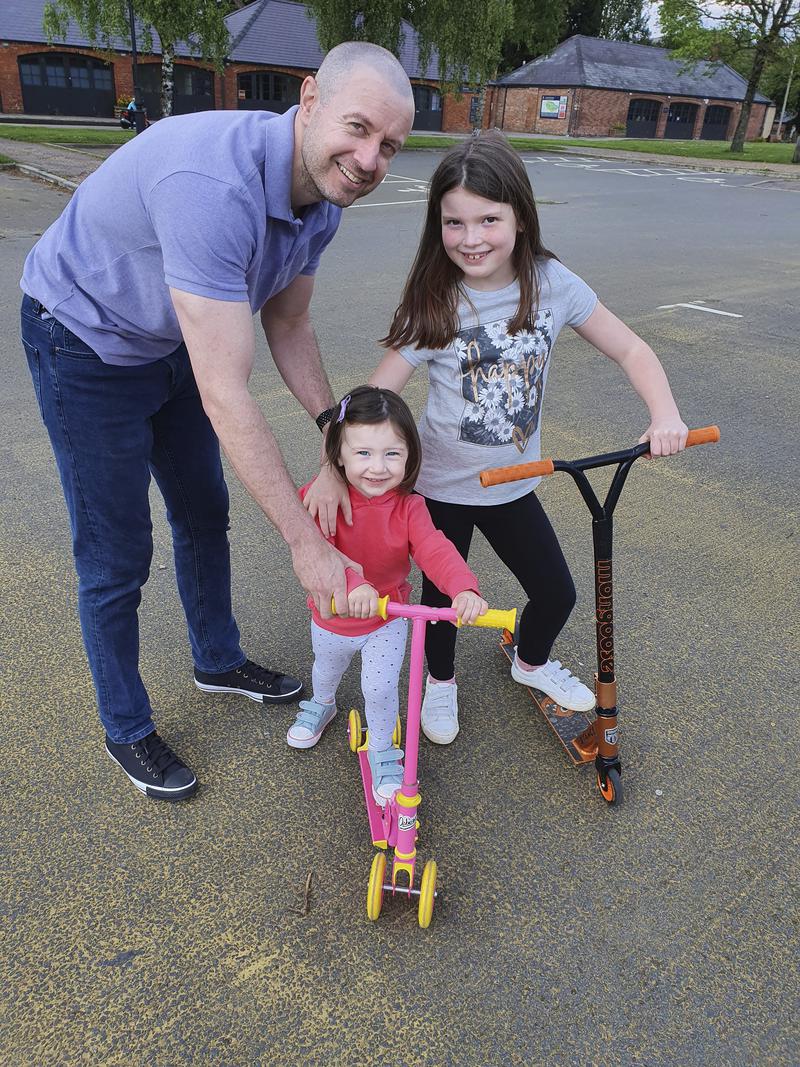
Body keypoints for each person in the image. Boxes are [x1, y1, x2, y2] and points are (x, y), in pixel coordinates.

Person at [19, 42, 415, 801]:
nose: (368, 160)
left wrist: (337, 440)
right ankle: (125, 724)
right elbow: (227, 395)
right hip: (83, 340)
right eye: (358, 127)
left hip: (170, 337)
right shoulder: (211, 185)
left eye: (389, 146)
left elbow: (289, 323)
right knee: (116, 553)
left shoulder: (321, 197)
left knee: (205, 512)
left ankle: (217, 659)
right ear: (309, 99)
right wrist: (307, 544)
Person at [305, 129, 688, 745]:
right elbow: (372, 399)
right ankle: (440, 681)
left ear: (520, 217)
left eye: (488, 219)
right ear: (437, 225)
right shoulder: (436, 300)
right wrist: (332, 466)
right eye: (454, 223)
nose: (471, 238)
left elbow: (632, 349)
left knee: (557, 593)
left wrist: (664, 414)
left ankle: (529, 661)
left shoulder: (552, 284)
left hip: (513, 484)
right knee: (443, 603)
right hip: (440, 489)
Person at [289, 386, 487, 803]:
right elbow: (314, 549)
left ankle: (382, 749)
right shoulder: (323, 497)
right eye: (363, 453)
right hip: (332, 616)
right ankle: (323, 703)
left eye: (392, 454)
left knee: (380, 690)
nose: (377, 468)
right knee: (326, 669)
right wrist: (352, 582)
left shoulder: (409, 508)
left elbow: (434, 548)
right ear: (338, 455)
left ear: (410, 456)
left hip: (387, 618)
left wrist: (463, 588)